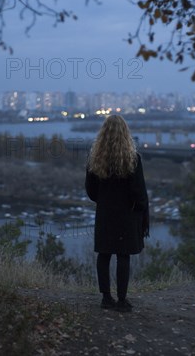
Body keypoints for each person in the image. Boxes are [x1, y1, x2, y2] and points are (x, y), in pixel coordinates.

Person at [85, 115, 149, 313]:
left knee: (104, 254)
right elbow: (139, 192)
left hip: (105, 213)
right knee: (123, 255)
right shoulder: (133, 159)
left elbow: (90, 190)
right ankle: (122, 300)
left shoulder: (95, 159)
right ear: (125, 134)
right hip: (126, 215)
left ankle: (106, 298)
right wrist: (139, 211)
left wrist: (104, 201)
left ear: (102, 134)